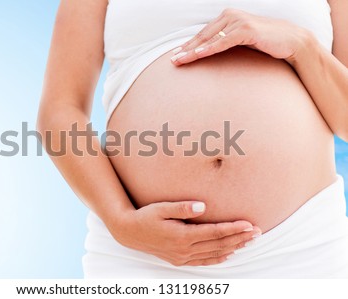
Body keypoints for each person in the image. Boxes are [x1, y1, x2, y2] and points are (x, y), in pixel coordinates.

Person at [37, 0, 348, 278]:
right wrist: (121, 221)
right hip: (144, 253)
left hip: (298, 249)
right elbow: (60, 111)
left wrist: (303, 46)